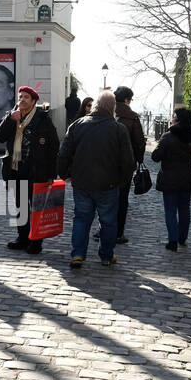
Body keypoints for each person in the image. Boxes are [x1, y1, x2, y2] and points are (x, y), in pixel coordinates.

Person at [57, 91, 135, 269]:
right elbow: (128, 161)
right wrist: (121, 181)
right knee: (108, 221)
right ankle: (106, 256)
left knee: (81, 219)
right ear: (112, 108)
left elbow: (63, 154)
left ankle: (77, 254)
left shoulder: (78, 125)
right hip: (108, 184)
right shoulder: (118, 129)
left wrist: (64, 174)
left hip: (82, 182)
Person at [0, 86, 59, 256]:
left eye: (26, 97)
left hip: (36, 171)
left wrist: (52, 174)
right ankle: (22, 238)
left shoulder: (42, 119)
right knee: (21, 207)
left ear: (33, 101)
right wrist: (9, 119)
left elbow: (53, 147)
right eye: (20, 96)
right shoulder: (13, 115)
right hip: (15, 169)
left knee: (36, 208)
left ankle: (36, 242)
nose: (22, 99)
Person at [151, 107, 191, 252]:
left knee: (170, 210)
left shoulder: (168, 136)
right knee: (184, 209)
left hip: (170, 179)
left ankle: (172, 241)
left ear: (176, 120)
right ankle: (182, 237)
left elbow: (155, 156)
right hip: (187, 177)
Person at [112, 86, 147, 244]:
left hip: (106, 162)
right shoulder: (132, 117)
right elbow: (139, 142)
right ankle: (118, 232)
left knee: (105, 197)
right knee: (122, 199)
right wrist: (139, 160)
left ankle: (103, 229)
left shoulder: (107, 112)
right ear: (127, 99)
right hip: (126, 163)